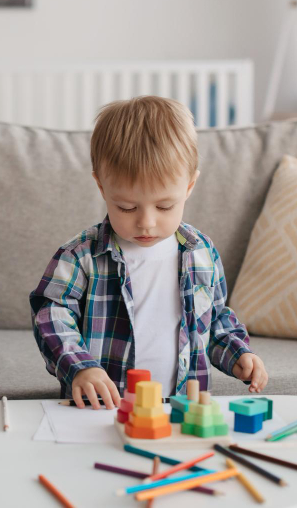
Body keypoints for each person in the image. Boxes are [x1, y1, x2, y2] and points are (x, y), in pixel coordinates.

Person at [29, 96, 267, 408]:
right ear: (102, 188)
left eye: (165, 206)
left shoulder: (202, 254)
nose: (146, 222)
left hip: (180, 409)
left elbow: (216, 321)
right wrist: (80, 367)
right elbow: (51, 315)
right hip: (103, 408)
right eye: (126, 207)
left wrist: (239, 354)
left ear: (189, 187)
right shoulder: (81, 256)